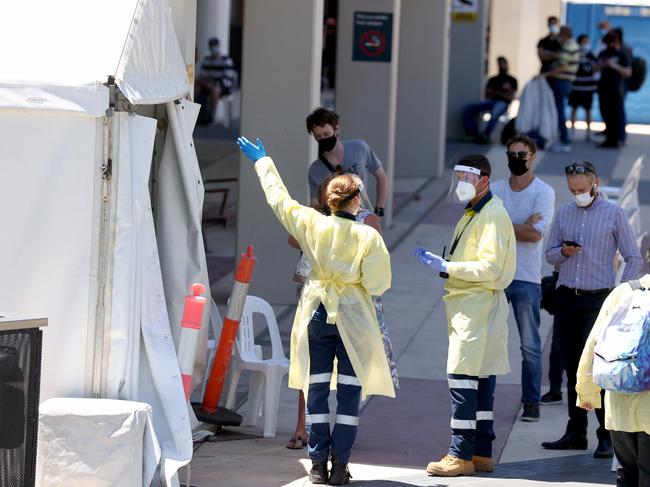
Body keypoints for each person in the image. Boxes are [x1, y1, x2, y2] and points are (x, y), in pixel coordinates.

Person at [237, 136, 395, 485]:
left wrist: (262, 161)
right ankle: (340, 465)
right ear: (356, 200)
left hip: (316, 313)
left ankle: (317, 465)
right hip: (353, 317)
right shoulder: (367, 236)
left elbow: (278, 199)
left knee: (317, 388)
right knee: (351, 392)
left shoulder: (311, 222)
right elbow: (379, 284)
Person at [414, 154, 516, 477]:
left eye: (465, 178)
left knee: (462, 379)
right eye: (457, 177)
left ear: (483, 180)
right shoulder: (478, 211)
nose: (460, 184)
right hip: (473, 306)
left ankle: (460, 454)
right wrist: (447, 267)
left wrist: (447, 267)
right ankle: (481, 452)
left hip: (476, 307)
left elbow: (489, 267)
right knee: (482, 379)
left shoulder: (492, 215)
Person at [542, 160, 642, 458]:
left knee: (596, 370)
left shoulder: (613, 214)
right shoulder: (564, 213)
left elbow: (633, 257)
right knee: (573, 368)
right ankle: (576, 432)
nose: (577, 194)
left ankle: (606, 435)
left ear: (595, 183)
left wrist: (621, 295)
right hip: (566, 297)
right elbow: (549, 255)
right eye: (573, 190)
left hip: (598, 300)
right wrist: (563, 252)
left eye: (582, 189)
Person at [491, 135, 555, 422]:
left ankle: (531, 402)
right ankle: (484, 399)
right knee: (490, 341)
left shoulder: (544, 192)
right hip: (495, 278)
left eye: (522, 154)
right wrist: (518, 225)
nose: (517, 158)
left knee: (530, 345)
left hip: (527, 279)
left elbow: (534, 235)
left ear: (533, 157)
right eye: (512, 153)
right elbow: (485, 230)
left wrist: (502, 223)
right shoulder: (494, 190)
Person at [576, 271, 650, 487]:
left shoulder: (624, 291)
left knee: (626, 473)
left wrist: (587, 392)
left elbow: (594, 343)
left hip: (619, 404)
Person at [306, 108, 388, 217]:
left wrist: (379, 210)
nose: (323, 139)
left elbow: (382, 177)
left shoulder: (359, 148)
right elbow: (314, 203)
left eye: (326, 134)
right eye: (318, 136)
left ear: (336, 129)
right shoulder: (315, 169)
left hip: (363, 219)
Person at [540, 26, 580, 153]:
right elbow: (561, 57)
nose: (558, 37)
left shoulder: (568, 47)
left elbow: (562, 67)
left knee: (559, 111)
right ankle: (562, 137)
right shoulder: (572, 45)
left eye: (560, 35)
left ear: (565, 35)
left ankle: (564, 139)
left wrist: (545, 75)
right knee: (559, 110)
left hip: (562, 81)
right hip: (566, 82)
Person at [462, 57, 518, 144]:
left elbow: (510, 97)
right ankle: (473, 134)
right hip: (490, 102)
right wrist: (501, 93)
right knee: (468, 108)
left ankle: (486, 134)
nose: (501, 66)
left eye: (503, 63)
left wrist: (496, 92)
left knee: (495, 111)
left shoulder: (512, 80)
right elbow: (487, 94)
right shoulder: (493, 79)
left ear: (507, 64)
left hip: (503, 104)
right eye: (499, 64)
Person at [596, 30, 632, 148]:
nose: (609, 46)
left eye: (610, 43)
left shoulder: (622, 53)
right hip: (603, 87)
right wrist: (604, 64)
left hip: (616, 89)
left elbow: (627, 72)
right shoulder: (604, 53)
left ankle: (617, 139)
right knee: (605, 112)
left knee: (616, 114)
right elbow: (594, 68)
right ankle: (609, 137)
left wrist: (614, 66)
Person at [196, 37, 237, 123]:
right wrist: (205, 83)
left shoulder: (226, 60)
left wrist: (213, 84)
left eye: (215, 46)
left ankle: (211, 116)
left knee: (215, 90)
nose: (213, 48)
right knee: (197, 88)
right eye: (211, 46)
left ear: (218, 46)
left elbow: (228, 79)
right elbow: (202, 75)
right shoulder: (206, 60)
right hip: (207, 85)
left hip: (222, 87)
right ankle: (198, 115)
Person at [569, 35, 598, 141]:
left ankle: (589, 132)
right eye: (584, 42)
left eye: (588, 42)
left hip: (588, 87)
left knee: (588, 110)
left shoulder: (591, 55)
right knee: (574, 109)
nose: (586, 44)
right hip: (576, 87)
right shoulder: (575, 54)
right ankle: (572, 131)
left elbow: (596, 68)